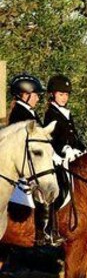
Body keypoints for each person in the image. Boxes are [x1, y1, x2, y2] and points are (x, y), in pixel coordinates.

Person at [7, 74, 54, 244]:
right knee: (41, 186)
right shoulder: (20, 114)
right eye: (35, 95)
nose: (37, 98)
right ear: (24, 94)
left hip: (36, 157)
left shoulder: (29, 112)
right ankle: (42, 231)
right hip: (25, 161)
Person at [43, 75, 86, 162]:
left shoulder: (66, 113)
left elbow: (74, 135)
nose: (64, 98)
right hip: (60, 157)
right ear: (52, 94)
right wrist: (65, 149)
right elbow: (53, 139)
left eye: (66, 94)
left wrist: (83, 149)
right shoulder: (51, 113)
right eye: (61, 94)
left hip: (74, 153)